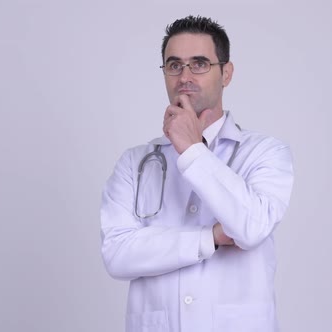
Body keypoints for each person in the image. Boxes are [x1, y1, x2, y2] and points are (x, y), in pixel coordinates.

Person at [100, 15, 294, 332]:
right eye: (174, 65)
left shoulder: (265, 153)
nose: (185, 76)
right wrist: (210, 237)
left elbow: (251, 227)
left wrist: (192, 150)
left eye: (200, 63)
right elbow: (117, 255)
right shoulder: (134, 163)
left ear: (226, 73)